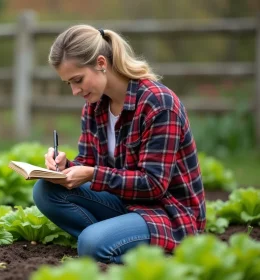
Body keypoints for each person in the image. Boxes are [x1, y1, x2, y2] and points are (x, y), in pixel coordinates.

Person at [32, 25, 206, 264]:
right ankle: (114, 241)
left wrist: (92, 174)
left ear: (101, 63)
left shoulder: (158, 104)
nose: (74, 91)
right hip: (127, 203)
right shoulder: (94, 107)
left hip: (169, 213)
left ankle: (157, 258)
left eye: (78, 80)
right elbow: (90, 163)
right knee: (45, 190)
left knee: (91, 243)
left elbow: (154, 185)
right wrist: (66, 167)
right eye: (68, 84)